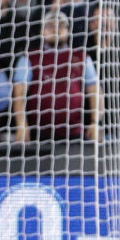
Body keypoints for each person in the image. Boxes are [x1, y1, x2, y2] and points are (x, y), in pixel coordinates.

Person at [12, 12, 102, 142]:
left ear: (68, 31)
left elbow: (95, 91)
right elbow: (19, 93)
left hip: (74, 132)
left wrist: (95, 122)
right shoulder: (29, 58)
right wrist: (21, 124)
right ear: (42, 31)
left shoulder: (82, 57)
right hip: (39, 133)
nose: (55, 29)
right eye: (50, 26)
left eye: (61, 26)